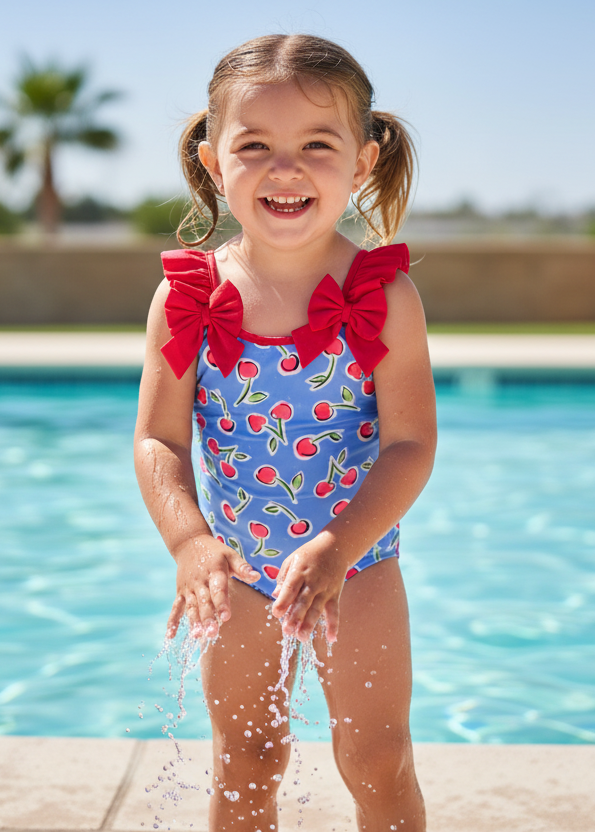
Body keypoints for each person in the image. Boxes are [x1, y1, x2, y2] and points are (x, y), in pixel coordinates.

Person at [134, 33, 436, 832]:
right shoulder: (188, 296)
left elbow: (410, 443)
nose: (285, 168)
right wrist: (190, 543)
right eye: (255, 146)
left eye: (316, 145)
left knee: (376, 759)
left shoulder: (382, 295)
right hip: (235, 569)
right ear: (212, 161)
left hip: (358, 561)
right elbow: (159, 439)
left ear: (362, 162)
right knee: (246, 758)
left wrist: (339, 546)